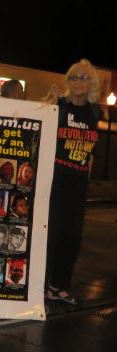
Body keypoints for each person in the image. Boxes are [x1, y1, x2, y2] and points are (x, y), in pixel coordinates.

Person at [43, 59, 102, 304]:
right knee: (50, 235)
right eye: (74, 77)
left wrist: (86, 178)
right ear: (68, 81)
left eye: (84, 77)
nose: (79, 81)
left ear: (92, 83)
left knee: (72, 237)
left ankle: (59, 285)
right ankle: (40, 287)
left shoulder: (95, 112)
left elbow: (91, 151)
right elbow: (34, 125)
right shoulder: (59, 105)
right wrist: (46, 103)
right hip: (56, 180)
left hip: (78, 183)